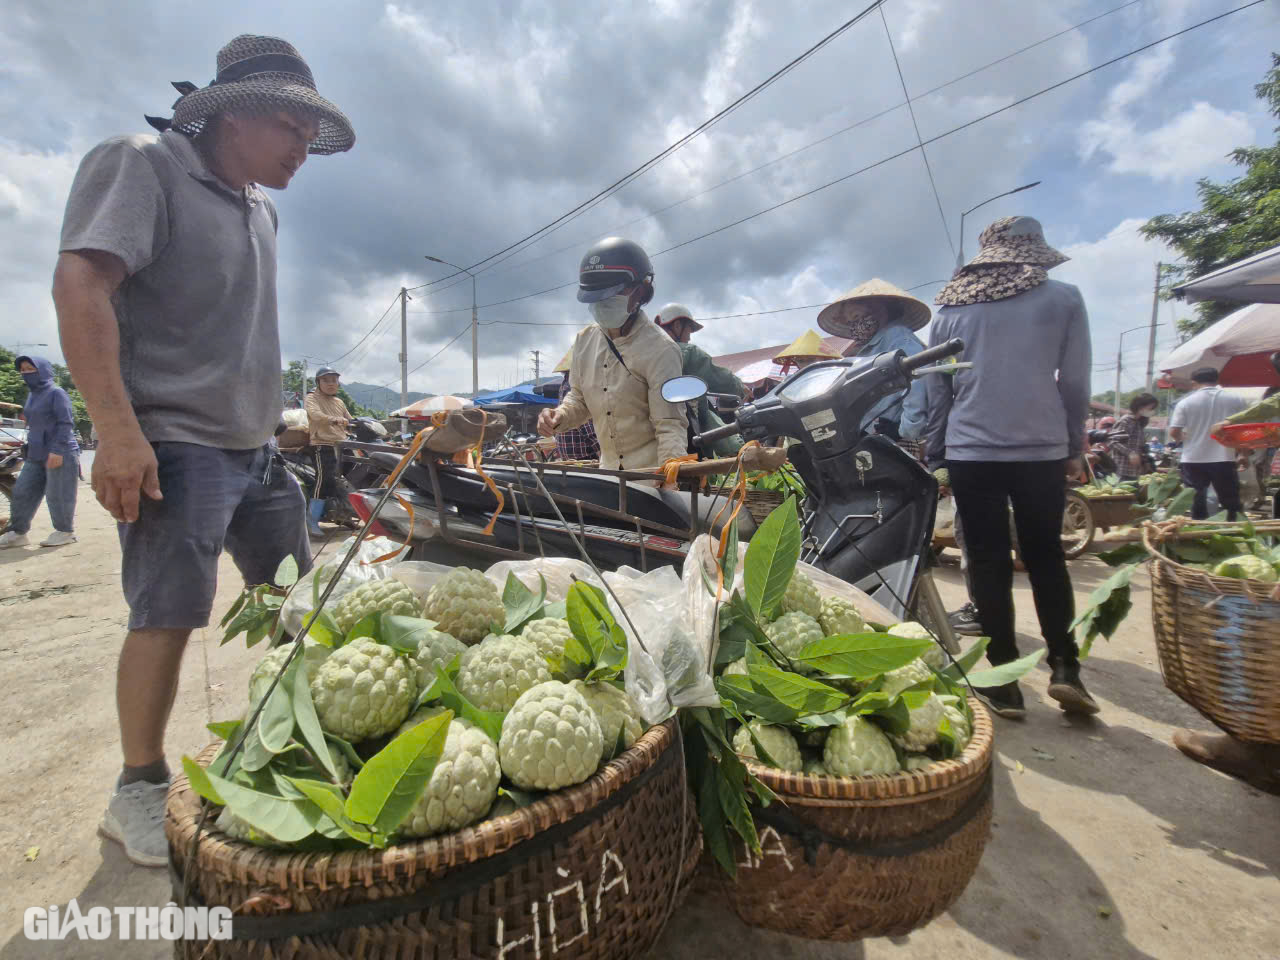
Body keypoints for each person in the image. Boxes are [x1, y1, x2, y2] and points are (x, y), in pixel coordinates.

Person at [52, 34, 354, 867]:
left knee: (295, 605)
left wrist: (276, 419)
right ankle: (137, 790)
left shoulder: (262, 207)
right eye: (293, 128)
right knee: (168, 615)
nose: (302, 150)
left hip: (258, 450)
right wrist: (116, 431)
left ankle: (302, 740)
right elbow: (81, 282)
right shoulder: (142, 165)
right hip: (175, 446)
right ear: (238, 114)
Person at [925, 215, 1096, 720]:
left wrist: (937, 455)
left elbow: (938, 392)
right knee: (1046, 557)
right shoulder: (1064, 299)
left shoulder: (951, 309)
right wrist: (1072, 442)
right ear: (1036, 250)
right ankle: (1066, 668)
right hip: (1041, 449)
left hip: (971, 451)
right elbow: (1077, 381)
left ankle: (1005, 682)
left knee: (987, 562)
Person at [537, 238, 687, 477]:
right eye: (596, 297)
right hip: (608, 476)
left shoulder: (661, 349)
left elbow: (669, 425)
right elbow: (579, 399)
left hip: (650, 480)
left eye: (611, 294)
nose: (602, 304)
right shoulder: (584, 341)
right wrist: (558, 416)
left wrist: (669, 481)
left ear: (641, 291)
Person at [817, 279, 931, 444]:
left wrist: (905, 430)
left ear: (879, 310)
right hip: (872, 434)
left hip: (895, 436)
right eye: (851, 322)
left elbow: (917, 381)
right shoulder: (869, 349)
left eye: (857, 317)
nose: (855, 325)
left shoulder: (898, 337)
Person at [0, 356, 81, 548]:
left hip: (59, 451)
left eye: (31, 369)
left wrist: (58, 450)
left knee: (58, 494)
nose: (27, 373)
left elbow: (65, 423)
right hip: (36, 454)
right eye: (23, 370)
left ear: (44, 370)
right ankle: (18, 532)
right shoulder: (32, 394)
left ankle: (64, 531)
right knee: (21, 491)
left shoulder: (56, 393)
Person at [654, 302, 747, 458]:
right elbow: (720, 379)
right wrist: (741, 387)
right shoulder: (687, 352)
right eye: (689, 330)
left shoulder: (647, 353)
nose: (689, 337)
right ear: (677, 326)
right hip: (686, 435)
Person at [1169, 367, 1249, 520]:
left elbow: (1174, 432)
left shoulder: (1185, 402)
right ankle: (1235, 534)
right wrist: (1243, 454)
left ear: (1194, 383)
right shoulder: (1236, 399)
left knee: (1196, 501)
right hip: (1224, 458)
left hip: (1193, 460)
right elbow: (1242, 432)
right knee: (1230, 502)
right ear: (1217, 380)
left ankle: (1200, 536)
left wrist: (1184, 437)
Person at [304, 366, 350, 537]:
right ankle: (311, 520)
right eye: (326, 380)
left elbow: (350, 419)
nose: (331, 384)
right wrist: (335, 419)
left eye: (334, 380)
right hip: (322, 444)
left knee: (348, 478)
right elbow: (315, 415)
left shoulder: (339, 402)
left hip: (342, 445)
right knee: (323, 480)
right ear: (318, 383)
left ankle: (345, 512)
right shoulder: (312, 398)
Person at [1109, 392, 1158, 481]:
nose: (1152, 411)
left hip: (1134, 471)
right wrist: (1130, 453)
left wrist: (1146, 461)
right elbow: (1113, 441)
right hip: (1121, 470)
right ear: (1140, 406)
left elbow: (1141, 446)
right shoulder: (1126, 421)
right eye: (1151, 408)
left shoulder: (1139, 423)